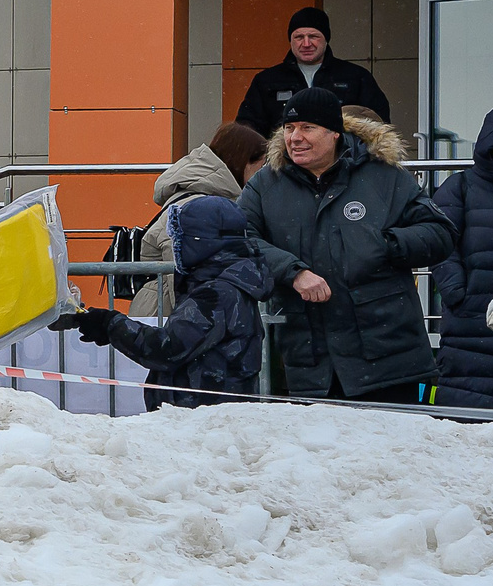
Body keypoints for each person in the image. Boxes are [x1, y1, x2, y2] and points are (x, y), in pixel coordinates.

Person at [239, 90, 452, 404]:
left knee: (392, 451)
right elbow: (238, 238)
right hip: (310, 364)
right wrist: (293, 272)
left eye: (306, 128)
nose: (295, 137)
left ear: (334, 132)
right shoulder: (265, 184)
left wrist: (385, 244)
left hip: (388, 360)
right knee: (319, 452)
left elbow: (440, 232)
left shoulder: (384, 176)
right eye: (289, 128)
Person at [64, 198, 272, 407]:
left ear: (202, 242)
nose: (176, 246)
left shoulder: (217, 292)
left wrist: (109, 324)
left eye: (182, 238)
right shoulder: (224, 283)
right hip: (204, 416)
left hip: (201, 419)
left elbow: (166, 348)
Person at [430, 107, 493, 410]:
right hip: (471, 326)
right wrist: (460, 295)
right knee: (469, 422)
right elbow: (439, 244)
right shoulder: (459, 187)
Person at [129, 125, 260, 316]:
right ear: (245, 162)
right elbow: (179, 272)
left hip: (166, 315)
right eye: (262, 165)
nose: (264, 174)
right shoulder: (196, 204)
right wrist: (196, 323)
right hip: (168, 318)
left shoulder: (202, 197)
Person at [234, 7, 389, 136]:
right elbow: (247, 130)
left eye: (313, 36)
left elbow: (377, 124)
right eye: (299, 37)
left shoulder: (355, 77)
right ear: (290, 40)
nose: (306, 43)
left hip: (343, 166)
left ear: (326, 39)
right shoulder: (266, 81)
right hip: (283, 166)